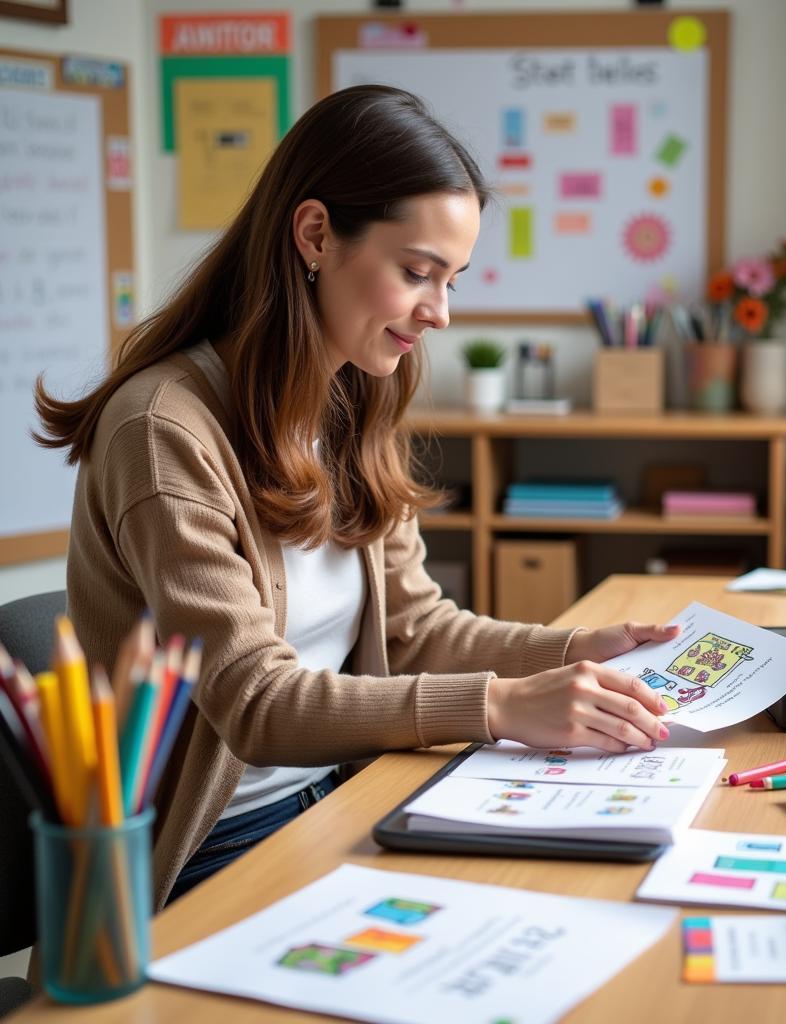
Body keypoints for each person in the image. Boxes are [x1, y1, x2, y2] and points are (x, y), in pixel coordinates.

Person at [34, 85, 678, 909]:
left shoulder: (355, 396)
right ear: (315, 235)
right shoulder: (163, 431)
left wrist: (580, 651)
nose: (440, 312)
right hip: (207, 848)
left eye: (453, 281)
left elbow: (416, 631)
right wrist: (501, 705)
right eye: (417, 272)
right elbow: (257, 703)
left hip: (339, 798)